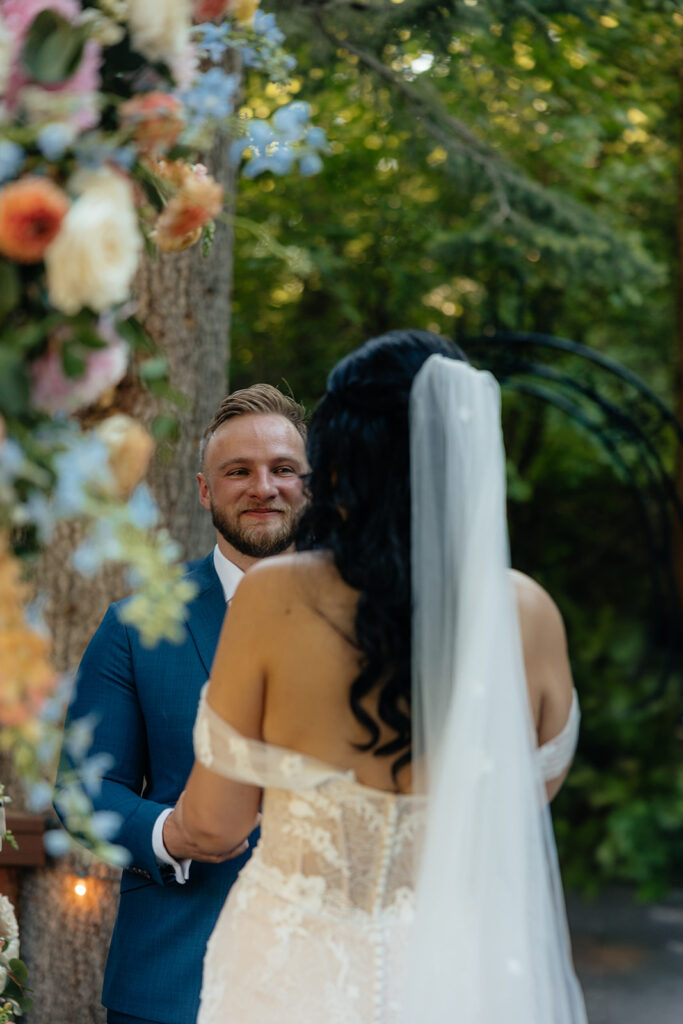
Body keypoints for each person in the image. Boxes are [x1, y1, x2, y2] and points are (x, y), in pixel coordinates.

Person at [176, 330, 588, 1024]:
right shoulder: (528, 612)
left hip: (289, 974)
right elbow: (523, 805)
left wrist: (174, 826)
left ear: (340, 459)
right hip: (462, 976)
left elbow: (217, 824)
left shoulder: (273, 597)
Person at [55, 384, 309, 1024]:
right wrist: (169, 834)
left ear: (309, 484)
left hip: (331, 980)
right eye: (238, 471)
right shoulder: (133, 626)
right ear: (204, 490)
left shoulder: (367, 621)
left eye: (282, 469)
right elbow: (83, 789)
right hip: (173, 981)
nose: (263, 487)